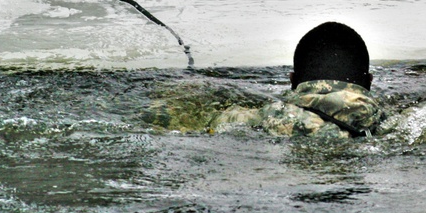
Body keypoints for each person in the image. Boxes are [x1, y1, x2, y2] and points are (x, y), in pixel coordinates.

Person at [145, 22, 387, 138]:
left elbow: (165, 120)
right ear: (369, 82)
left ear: (292, 81)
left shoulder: (263, 119)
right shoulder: (390, 125)